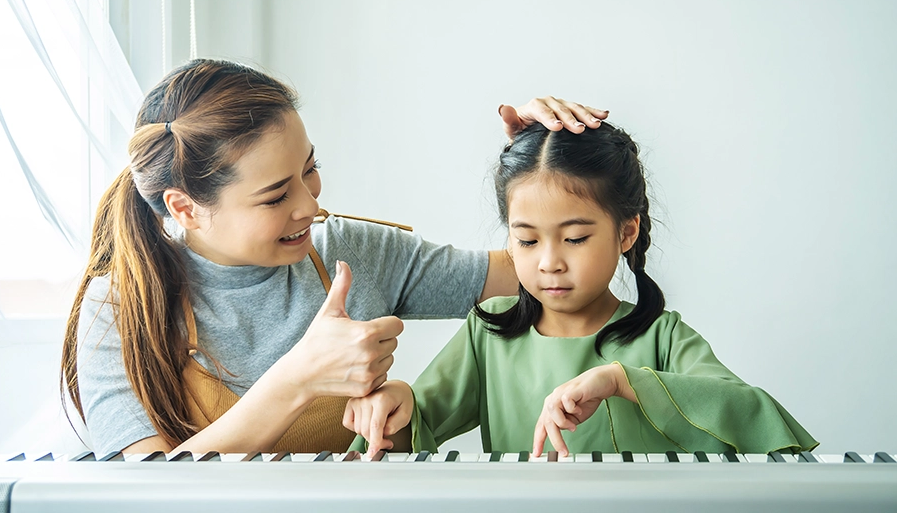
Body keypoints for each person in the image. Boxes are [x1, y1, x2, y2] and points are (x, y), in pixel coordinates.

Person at [61, 58, 607, 455]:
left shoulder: (353, 251)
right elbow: (140, 495)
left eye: (310, 169)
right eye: (276, 196)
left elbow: (542, 271)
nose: (310, 204)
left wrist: (538, 168)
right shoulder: (119, 307)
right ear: (186, 208)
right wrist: (296, 381)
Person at [344, 121, 818, 457]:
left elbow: (753, 416)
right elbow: (410, 432)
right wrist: (396, 406)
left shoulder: (661, 336)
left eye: (574, 238)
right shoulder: (488, 333)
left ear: (626, 233)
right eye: (526, 240)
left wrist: (620, 381)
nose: (549, 262)